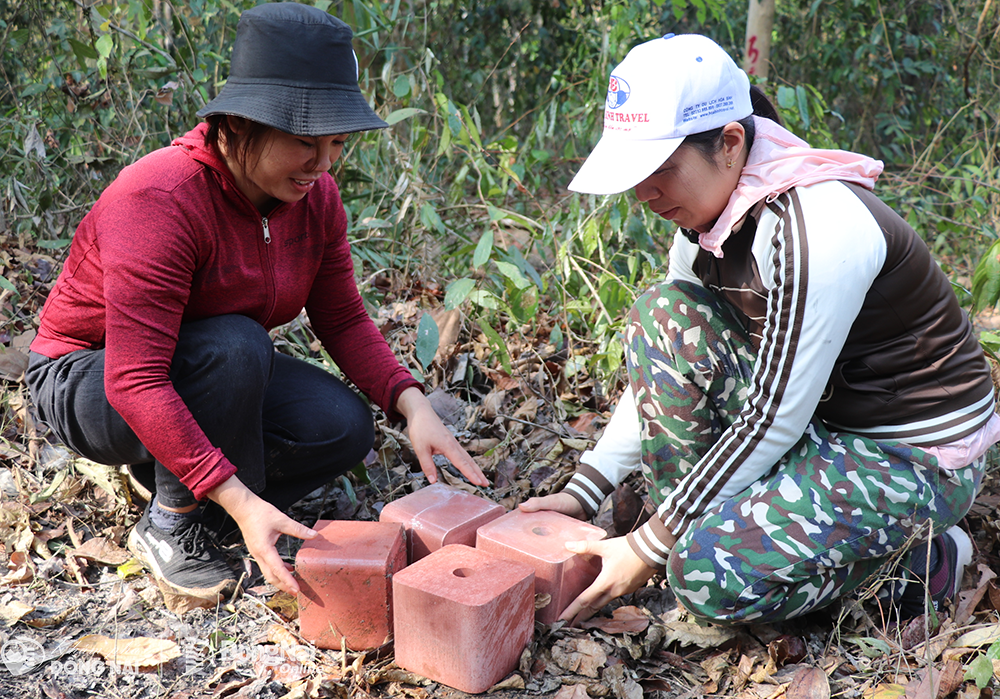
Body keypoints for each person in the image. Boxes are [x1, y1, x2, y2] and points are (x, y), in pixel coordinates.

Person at [521, 33, 1000, 625]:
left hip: (909, 454)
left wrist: (649, 546)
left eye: (661, 170)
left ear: (729, 143)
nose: (645, 194)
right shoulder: (709, 221)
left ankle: (919, 563)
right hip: (826, 423)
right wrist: (586, 489)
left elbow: (774, 415)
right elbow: (667, 354)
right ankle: (696, 526)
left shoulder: (814, 227)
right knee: (662, 314)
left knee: (702, 575)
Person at [26, 3, 487, 606]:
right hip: (89, 379)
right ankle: (173, 521)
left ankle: (199, 490)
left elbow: (342, 317)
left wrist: (412, 404)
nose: (323, 166)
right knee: (237, 345)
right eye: (304, 143)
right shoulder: (160, 198)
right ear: (240, 126)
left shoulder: (315, 199)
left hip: (205, 372)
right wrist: (240, 494)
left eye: (337, 144)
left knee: (342, 428)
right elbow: (135, 378)